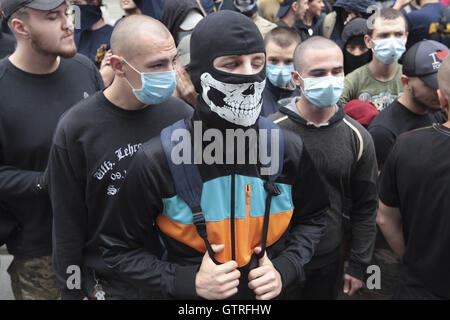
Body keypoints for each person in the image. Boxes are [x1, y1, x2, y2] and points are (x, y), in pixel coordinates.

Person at [99, 10, 329, 300]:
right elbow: (118, 250)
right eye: (231, 64)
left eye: (258, 62)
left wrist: (286, 267)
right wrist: (186, 282)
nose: (249, 75)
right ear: (200, 75)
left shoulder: (286, 147)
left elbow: (314, 217)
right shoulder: (158, 159)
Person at [48, 14, 193, 300]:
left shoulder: (183, 118)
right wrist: (72, 290)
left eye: (172, 60)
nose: (170, 72)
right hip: (108, 283)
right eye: (156, 65)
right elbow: (67, 223)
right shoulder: (77, 128)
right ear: (118, 66)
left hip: (174, 278)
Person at [0, 0, 104, 300]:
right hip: (39, 251)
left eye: (68, 12)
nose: (68, 23)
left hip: (99, 241)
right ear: (20, 27)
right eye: (52, 17)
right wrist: (46, 181)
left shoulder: (83, 68)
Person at [270, 36, 378, 300]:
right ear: (297, 78)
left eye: (336, 71)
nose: (329, 79)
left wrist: (359, 263)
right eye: (318, 73)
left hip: (328, 259)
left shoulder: (358, 138)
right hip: (275, 262)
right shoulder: (271, 131)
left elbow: (366, 206)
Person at [376, 55, 450, 300]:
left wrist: (413, 261)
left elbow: (385, 218)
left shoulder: (407, 146)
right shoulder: (393, 135)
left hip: (420, 287)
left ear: (441, 98)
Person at [368, 39, 447, 169]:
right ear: (406, 82)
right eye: (433, 85)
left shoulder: (435, 110)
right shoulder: (383, 132)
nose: (440, 92)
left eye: (445, 84)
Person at [340, 8, 408, 111]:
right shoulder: (352, 82)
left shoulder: (411, 80)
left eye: (398, 34)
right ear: (368, 41)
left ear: (406, 38)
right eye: (384, 35)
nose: (392, 41)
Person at [262, 26, 301, 116]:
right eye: (273, 60)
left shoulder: (302, 100)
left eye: (288, 61)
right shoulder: (252, 99)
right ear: (263, 58)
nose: (280, 68)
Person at [72, 0, 113, 68]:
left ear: (94, 2)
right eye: (72, 4)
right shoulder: (74, 34)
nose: (74, 8)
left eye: (77, 3)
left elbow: (107, 76)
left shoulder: (113, 35)